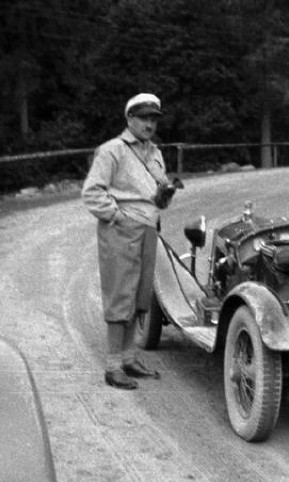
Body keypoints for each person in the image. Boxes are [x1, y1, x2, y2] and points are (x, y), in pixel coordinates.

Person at [82, 92, 178, 390]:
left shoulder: (155, 152)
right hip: (121, 231)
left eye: (153, 119)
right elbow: (92, 192)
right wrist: (117, 216)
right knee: (120, 294)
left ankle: (129, 357)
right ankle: (113, 366)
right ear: (129, 119)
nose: (149, 124)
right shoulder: (112, 151)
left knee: (140, 295)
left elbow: (156, 194)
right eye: (143, 118)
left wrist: (165, 194)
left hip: (149, 228)